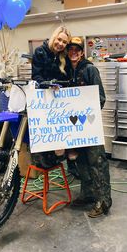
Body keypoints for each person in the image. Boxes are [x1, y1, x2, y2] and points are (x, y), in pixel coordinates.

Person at [67, 36, 112, 218]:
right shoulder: (69, 72)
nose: (74, 52)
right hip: (76, 124)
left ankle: (103, 202)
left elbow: (100, 97)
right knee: (81, 161)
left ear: (82, 51)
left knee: (97, 163)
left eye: (77, 49)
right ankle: (87, 195)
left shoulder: (90, 69)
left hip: (89, 124)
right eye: (71, 49)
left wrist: (87, 117)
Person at [31, 26, 72, 169]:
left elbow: (67, 76)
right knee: (46, 133)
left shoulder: (63, 57)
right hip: (44, 98)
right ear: (54, 37)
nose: (61, 44)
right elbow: (36, 76)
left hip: (59, 98)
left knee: (60, 132)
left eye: (64, 42)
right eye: (59, 39)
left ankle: (60, 158)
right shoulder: (40, 52)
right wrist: (48, 84)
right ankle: (44, 160)